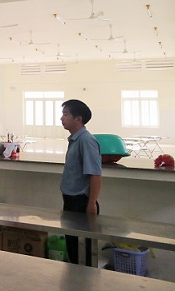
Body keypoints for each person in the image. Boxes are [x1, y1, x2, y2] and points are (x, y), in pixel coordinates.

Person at [60, 99, 102, 266]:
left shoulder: (86, 140)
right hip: (71, 201)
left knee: (83, 251)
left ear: (78, 119)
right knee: (72, 246)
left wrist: (91, 203)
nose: (61, 118)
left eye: (65, 114)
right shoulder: (75, 140)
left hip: (82, 203)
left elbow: (95, 175)